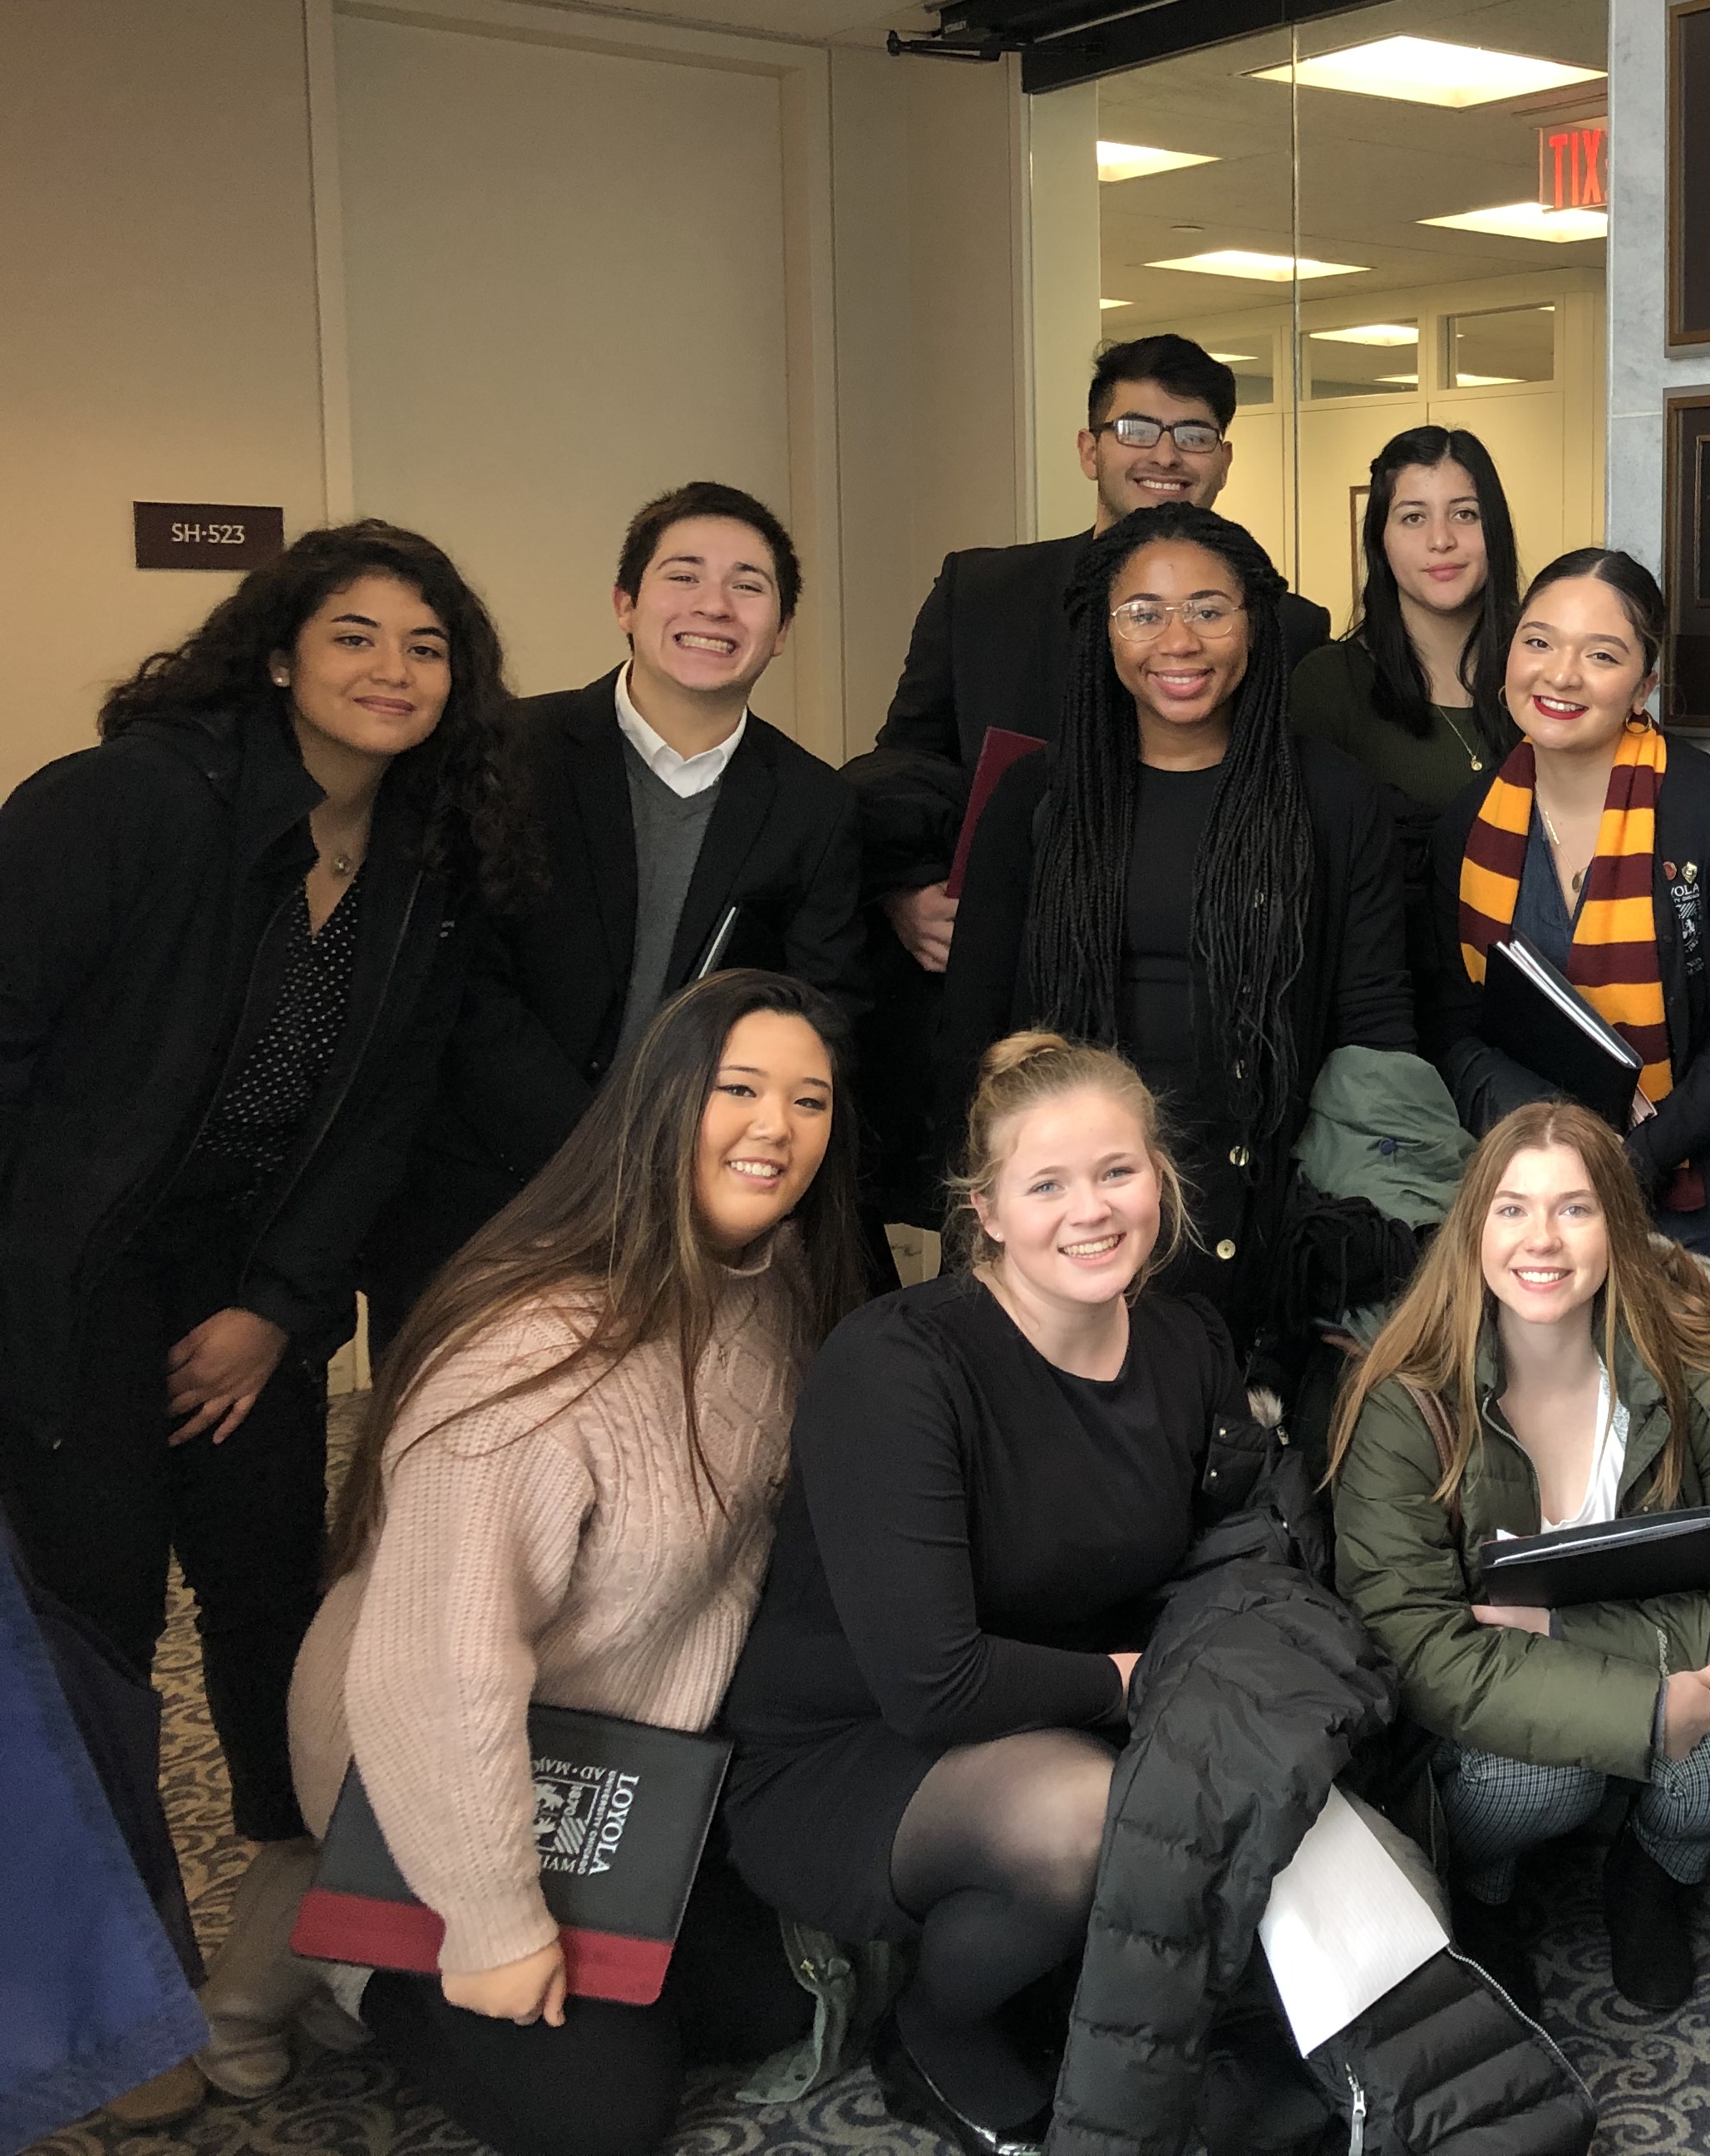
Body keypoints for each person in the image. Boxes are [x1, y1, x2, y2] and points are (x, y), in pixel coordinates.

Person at [0, 519, 522, 2095]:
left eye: (427, 647)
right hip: (72, 1272)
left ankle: (274, 1944)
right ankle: (125, 1993)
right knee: (93, 1625)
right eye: (356, 635)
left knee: (269, 1606)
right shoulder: (126, 804)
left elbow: (375, 1122)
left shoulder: (427, 867)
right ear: (281, 649)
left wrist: (279, 1310)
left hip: (251, 1283)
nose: (392, 670)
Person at [282, 970, 861, 2154]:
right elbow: (438, 1673)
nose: (778, 1129)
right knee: (599, 2117)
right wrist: (491, 1921)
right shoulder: (527, 1361)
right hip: (419, 1763)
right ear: (660, 1103)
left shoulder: (775, 1284)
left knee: (781, 2003)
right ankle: (337, 1934)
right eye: (740, 1089)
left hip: (611, 1769)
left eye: (812, 1102)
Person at [721, 1032, 1253, 2155]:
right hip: (861, 1745)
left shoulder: (1182, 1338)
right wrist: (1141, 1686)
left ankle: (1049, 1979)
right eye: (1047, 1184)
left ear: (1160, 1176)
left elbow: (1231, 1543)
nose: (1092, 1210)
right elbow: (931, 1684)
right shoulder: (897, 1367)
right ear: (988, 1211)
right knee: (1082, 1823)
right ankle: (932, 2026)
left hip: (1074, 1700)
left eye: (1117, 1171)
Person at [1328, 1102, 1710, 2012]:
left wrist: (1569, 1633)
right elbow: (1420, 1649)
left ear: (1619, 1228)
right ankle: (1488, 1892)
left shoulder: (1692, 1357)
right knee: (1542, 1766)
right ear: (1473, 1226)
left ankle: (1652, 1871)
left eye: (1576, 1208)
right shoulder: (1408, 1398)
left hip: (1664, 1674)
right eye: (1512, 1208)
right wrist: (1636, 1710)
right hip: (1486, 1742)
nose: (1541, 1239)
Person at [845, 333, 1332, 1222]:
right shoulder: (983, 592)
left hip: (1205, 1009)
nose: (1165, 454)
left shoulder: (1283, 626)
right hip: (1013, 991)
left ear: (1223, 458)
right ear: (1089, 448)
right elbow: (904, 757)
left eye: (1193, 433)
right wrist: (901, 891)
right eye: (1137, 427)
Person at [364, 482, 864, 1346]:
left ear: (781, 632)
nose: (715, 605)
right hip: (490, 1186)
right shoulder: (507, 754)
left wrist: (686, 1165)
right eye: (684, 576)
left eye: (749, 585)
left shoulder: (813, 804)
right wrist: (602, 1159)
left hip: (691, 1203)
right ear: (626, 605)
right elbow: (459, 982)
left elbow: (820, 1006)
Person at [939, 504, 1413, 1391]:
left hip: (1267, 1196)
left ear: (1253, 624)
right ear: (1103, 634)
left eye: (1209, 608)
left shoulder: (1332, 799)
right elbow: (975, 1029)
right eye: (1144, 613)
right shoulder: (1038, 798)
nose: (1178, 640)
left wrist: (1366, 1239)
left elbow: (1376, 1032)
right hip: (1071, 1205)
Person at [1428, 548, 1710, 1297]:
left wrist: (1633, 1158)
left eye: (1602, 655)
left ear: (1644, 684)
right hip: (1541, 1176)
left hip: (1700, 1177)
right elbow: (1457, 1024)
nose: (1560, 674)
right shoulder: (1469, 821)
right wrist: (1555, 1145)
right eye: (1539, 641)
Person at [1289, 423, 1523, 810]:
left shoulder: (1544, 672)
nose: (1441, 539)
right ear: (1380, 540)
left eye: (1465, 514)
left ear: (1494, 530)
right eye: (1414, 517)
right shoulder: (1328, 684)